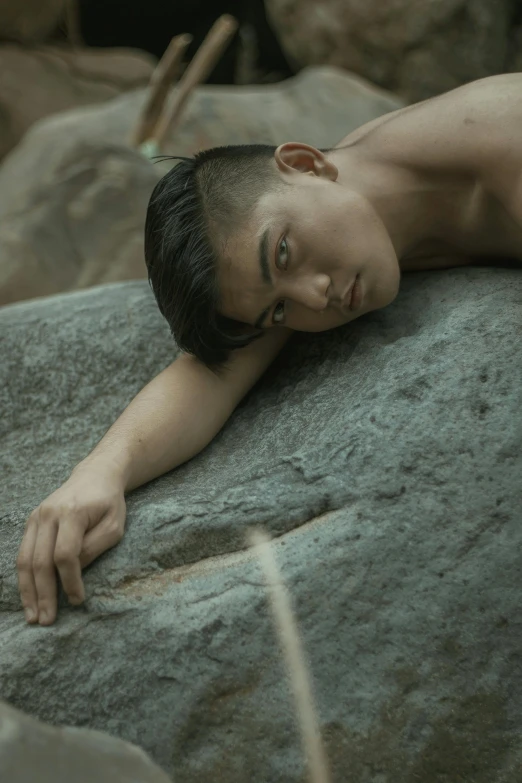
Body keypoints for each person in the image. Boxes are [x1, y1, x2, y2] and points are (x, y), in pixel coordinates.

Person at [17, 72, 522, 626]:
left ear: (304, 163)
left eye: (282, 254)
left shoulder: (500, 134)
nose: (315, 298)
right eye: (278, 311)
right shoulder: (328, 218)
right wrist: (98, 474)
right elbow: (209, 378)